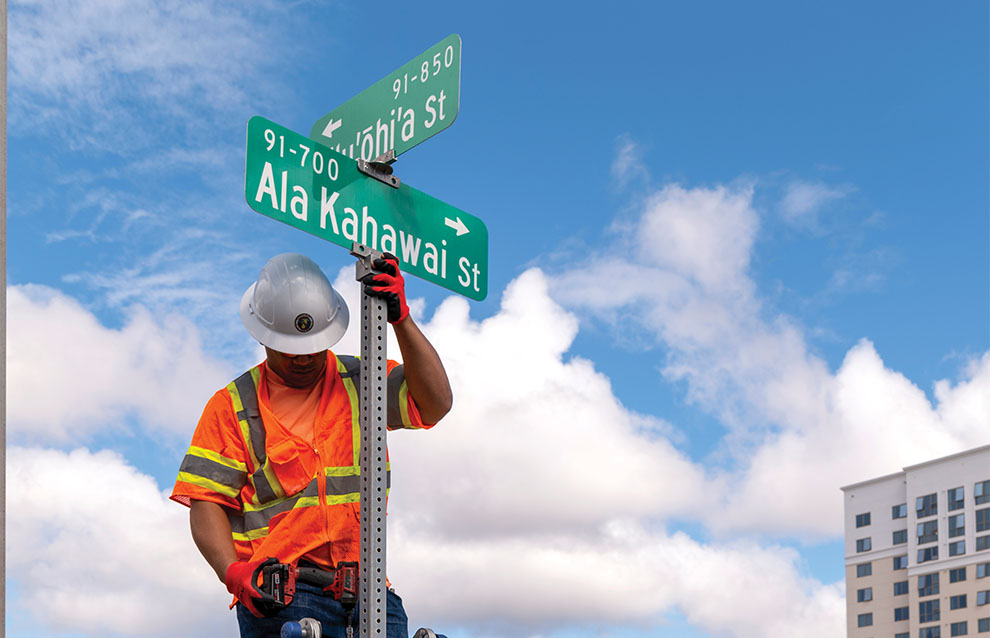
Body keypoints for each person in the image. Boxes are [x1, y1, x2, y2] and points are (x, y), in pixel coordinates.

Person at [170, 252, 452, 638]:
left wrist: (402, 320)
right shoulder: (233, 405)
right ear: (263, 336)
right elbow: (206, 502)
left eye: (313, 347)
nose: (303, 359)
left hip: (368, 589)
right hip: (281, 593)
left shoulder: (362, 377)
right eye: (291, 350)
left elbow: (436, 403)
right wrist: (232, 572)